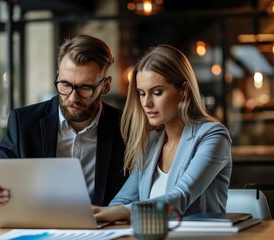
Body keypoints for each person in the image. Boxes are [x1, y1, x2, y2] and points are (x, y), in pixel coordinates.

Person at [0, 34, 127, 225]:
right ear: (58, 76)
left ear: (105, 86)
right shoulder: (24, 123)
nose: (73, 98)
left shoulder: (125, 127)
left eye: (85, 88)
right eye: (65, 85)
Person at [93, 44, 232, 223]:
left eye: (157, 92)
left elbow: (179, 198)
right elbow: (124, 201)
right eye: (142, 93)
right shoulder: (152, 142)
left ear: (183, 90)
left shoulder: (213, 136)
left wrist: (118, 213)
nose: (146, 103)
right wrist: (98, 215)